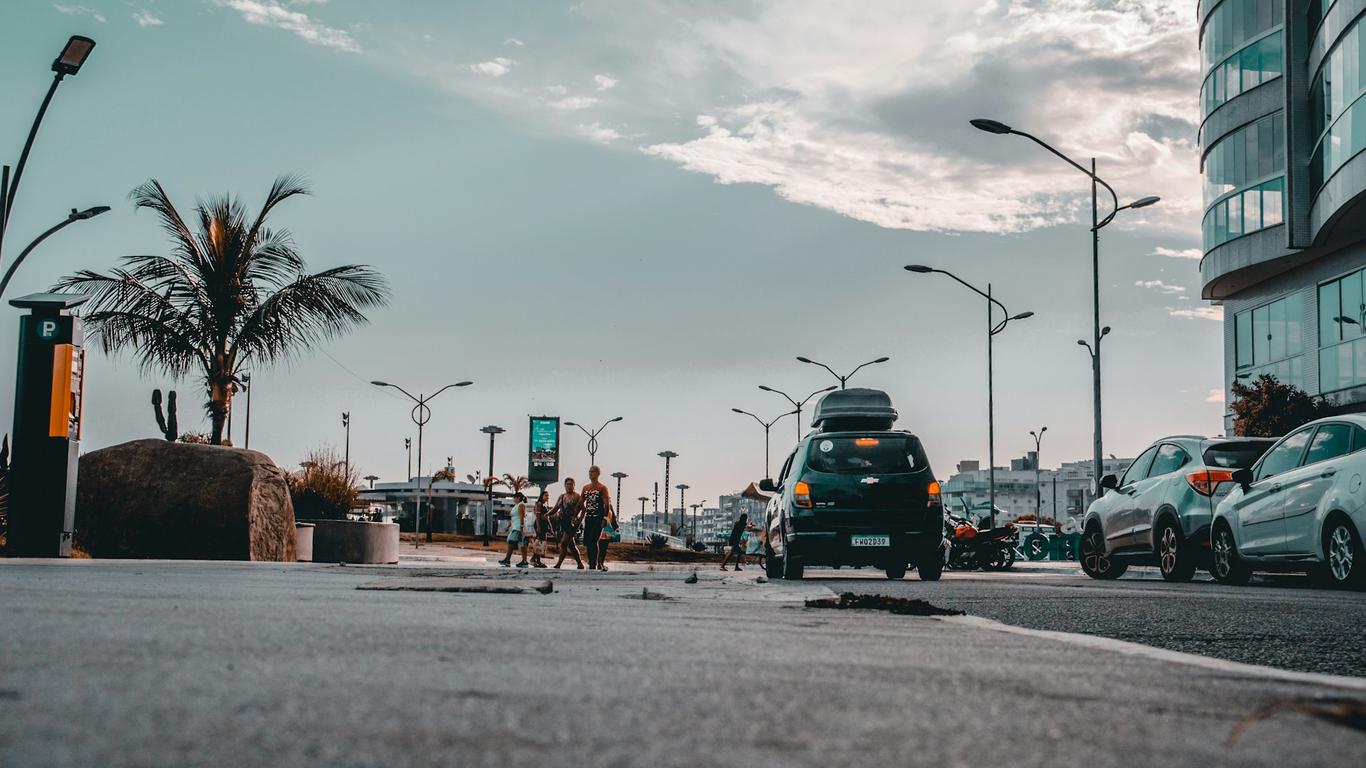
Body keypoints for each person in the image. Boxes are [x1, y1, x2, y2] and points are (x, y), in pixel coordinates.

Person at [580, 466, 614, 572]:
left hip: (598, 518)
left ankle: (594, 565)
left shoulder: (602, 488)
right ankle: (592, 561)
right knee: (587, 542)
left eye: (593, 472)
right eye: (589, 471)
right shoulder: (585, 488)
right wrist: (575, 516)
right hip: (588, 518)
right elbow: (580, 503)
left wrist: (604, 518)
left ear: (598, 473)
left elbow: (606, 504)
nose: (591, 473)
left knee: (593, 541)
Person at [551, 478, 585, 569]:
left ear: (574, 485)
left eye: (571, 484)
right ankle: (580, 564)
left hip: (572, 524)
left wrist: (579, 520)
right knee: (572, 545)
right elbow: (555, 509)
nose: (569, 486)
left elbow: (583, 509)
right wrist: (547, 514)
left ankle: (558, 564)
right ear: (564, 485)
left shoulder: (577, 496)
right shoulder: (562, 496)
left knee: (563, 543)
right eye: (567, 484)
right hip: (563, 523)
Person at [498, 492, 529, 568]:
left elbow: (522, 516)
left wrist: (521, 527)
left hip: (518, 527)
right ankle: (524, 561)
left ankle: (507, 560)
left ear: (518, 498)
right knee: (522, 544)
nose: (513, 499)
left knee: (511, 542)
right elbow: (513, 519)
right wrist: (508, 527)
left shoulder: (521, 505)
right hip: (515, 526)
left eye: (514, 498)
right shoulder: (516, 506)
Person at [530, 491, 551, 568]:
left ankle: (538, 561)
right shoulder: (539, 504)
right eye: (545, 495)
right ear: (541, 496)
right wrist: (538, 527)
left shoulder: (544, 505)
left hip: (544, 525)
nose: (547, 497)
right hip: (540, 525)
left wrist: (550, 527)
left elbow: (547, 517)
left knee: (541, 543)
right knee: (539, 542)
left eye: (548, 496)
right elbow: (538, 517)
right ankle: (533, 559)